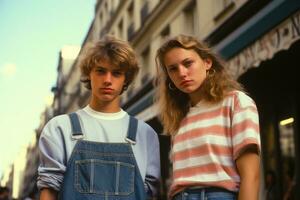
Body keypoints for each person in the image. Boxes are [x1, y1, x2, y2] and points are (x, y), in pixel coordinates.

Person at [37, 36, 161, 200]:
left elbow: (148, 193)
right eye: (101, 71)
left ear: (126, 79)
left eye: (116, 73)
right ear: (89, 74)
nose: (108, 80)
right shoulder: (60, 128)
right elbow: (49, 190)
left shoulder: (145, 134)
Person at [155, 34, 261, 200]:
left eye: (187, 63)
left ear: (207, 62)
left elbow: (251, 176)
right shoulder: (179, 118)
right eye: (173, 69)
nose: (181, 73)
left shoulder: (236, 102)